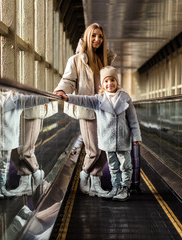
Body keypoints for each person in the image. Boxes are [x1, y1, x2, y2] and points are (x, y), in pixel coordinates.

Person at [54, 23, 116, 196]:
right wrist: (61, 90)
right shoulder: (76, 60)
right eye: (94, 35)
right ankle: (84, 175)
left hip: (105, 110)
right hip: (87, 110)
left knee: (105, 148)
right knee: (93, 150)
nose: (97, 39)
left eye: (100, 36)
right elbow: (69, 80)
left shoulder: (105, 60)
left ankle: (95, 181)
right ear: (87, 37)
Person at [61, 66, 141, 201]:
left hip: (123, 139)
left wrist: (136, 137)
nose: (110, 84)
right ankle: (115, 188)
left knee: (125, 165)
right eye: (106, 81)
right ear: (102, 85)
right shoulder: (99, 100)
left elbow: (133, 119)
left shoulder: (125, 98)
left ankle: (124, 189)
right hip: (107, 140)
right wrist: (67, 97)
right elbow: (83, 100)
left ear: (117, 82)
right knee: (113, 167)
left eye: (112, 80)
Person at [0, 88, 50, 199]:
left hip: (8, 138)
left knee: (4, 164)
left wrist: (49, 98)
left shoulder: (17, 98)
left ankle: (2, 187)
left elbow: (33, 100)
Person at [10, 101, 57, 196]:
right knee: (13, 148)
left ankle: (27, 181)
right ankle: (36, 175)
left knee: (25, 149)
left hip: (31, 108)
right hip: (14, 109)